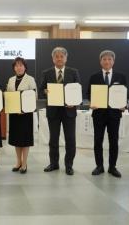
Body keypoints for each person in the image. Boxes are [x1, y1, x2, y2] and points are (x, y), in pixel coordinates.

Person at [40, 46, 80, 175]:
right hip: (53, 111)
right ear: (53, 59)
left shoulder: (73, 72)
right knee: (53, 139)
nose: (59, 58)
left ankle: (69, 165)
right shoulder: (47, 73)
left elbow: (78, 90)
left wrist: (74, 103)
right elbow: (41, 90)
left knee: (70, 139)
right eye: (56, 56)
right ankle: (54, 163)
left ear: (66, 58)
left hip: (69, 111)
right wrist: (45, 91)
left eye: (61, 56)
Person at [88, 50, 127, 178]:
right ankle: (99, 166)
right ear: (100, 61)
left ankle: (112, 167)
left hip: (114, 115)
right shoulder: (94, 77)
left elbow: (124, 94)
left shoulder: (121, 77)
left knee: (113, 141)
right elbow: (88, 94)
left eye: (109, 59)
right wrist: (91, 103)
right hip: (98, 114)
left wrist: (124, 104)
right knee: (98, 141)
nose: (107, 61)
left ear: (113, 61)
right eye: (104, 59)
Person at [6, 57, 37, 174]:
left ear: (25, 67)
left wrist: (24, 109)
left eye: (21, 65)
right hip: (14, 114)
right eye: (16, 65)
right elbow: (8, 96)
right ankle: (18, 162)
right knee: (16, 139)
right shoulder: (11, 80)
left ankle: (24, 164)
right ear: (14, 68)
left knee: (25, 140)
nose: (19, 67)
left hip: (25, 115)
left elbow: (33, 97)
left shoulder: (30, 79)